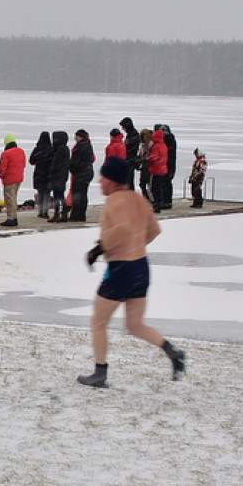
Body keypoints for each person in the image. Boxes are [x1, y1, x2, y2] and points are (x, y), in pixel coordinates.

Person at [77, 156, 186, 388]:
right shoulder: (139, 199)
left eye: (103, 177)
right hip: (140, 267)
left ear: (114, 180)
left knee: (98, 322)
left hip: (120, 269)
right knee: (135, 324)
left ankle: (100, 373)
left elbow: (123, 227)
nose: (99, 182)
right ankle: (172, 351)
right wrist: (136, 246)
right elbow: (155, 230)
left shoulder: (116, 200)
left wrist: (100, 249)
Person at [0, 134, 26, 227]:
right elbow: (24, 164)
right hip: (19, 177)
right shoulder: (21, 151)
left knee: (9, 199)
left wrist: (1, 176)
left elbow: (3, 168)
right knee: (14, 198)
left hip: (10, 179)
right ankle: (14, 217)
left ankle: (11, 218)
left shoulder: (6, 154)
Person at [68, 129, 95, 222]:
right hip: (87, 172)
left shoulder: (80, 146)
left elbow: (76, 161)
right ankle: (81, 215)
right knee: (83, 194)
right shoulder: (88, 145)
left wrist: (72, 168)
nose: (75, 138)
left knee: (78, 194)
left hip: (81, 173)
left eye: (76, 136)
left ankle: (76, 215)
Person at [47, 130, 70, 222]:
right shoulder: (65, 149)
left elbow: (56, 163)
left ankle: (58, 213)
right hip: (62, 175)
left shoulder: (59, 149)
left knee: (58, 195)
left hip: (57, 175)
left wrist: (51, 172)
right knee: (60, 194)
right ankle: (63, 213)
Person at [29, 131, 53, 218]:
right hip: (49, 173)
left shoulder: (37, 149)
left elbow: (31, 161)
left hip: (39, 173)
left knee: (40, 192)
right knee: (47, 193)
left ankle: (40, 211)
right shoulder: (51, 149)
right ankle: (45, 211)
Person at [147, 127, 169, 212]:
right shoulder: (164, 146)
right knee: (159, 188)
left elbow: (154, 157)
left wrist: (147, 159)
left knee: (153, 188)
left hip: (156, 170)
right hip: (163, 169)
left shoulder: (156, 146)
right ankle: (159, 204)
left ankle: (156, 205)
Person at [119, 116, 142, 190]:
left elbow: (130, 149)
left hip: (130, 160)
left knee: (129, 182)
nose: (123, 129)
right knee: (128, 181)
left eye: (123, 127)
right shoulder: (131, 134)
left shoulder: (133, 135)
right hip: (130, 160)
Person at [162, 124, 178, 209]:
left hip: (169, 164)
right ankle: (166, 201)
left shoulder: (169, 140)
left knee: (167, 183)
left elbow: (171, 155)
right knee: (166, 184)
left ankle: (167, 202)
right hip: (168, 164)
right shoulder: (169, 140)